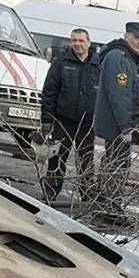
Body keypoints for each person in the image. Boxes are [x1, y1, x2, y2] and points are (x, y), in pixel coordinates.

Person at [93, 21, 139, 220]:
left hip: (120, 124)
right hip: (117, 126)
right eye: (136, 38)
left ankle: (103, 202)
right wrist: (126, 127)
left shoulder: (129, 58)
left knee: (113, 163)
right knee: (118, 166)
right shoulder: (120, 58)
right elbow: (120, 95)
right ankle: (111, 208)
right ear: (126, 36)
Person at [39, 28, 99, 203]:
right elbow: (49, 90)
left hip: (86, 123)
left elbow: (103, 95)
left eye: (81, 41)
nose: (78, 44)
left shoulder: (97, 65)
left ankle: (87, 195)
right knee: (57, 158)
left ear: (89, 42)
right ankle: (50, 192)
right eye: (74, 41)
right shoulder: (61, 61)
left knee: (86, 161)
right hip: (63, 120)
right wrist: (47, 118)